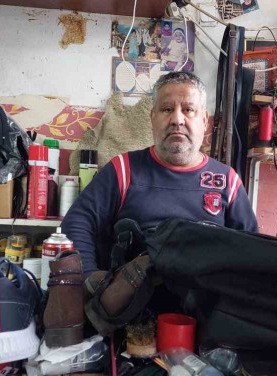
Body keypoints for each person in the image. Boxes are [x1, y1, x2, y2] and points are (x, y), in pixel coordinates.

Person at [61, 72, 258, 278]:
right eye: (167, 109)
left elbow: (252, 249)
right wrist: (90, 278)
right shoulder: (123, 170)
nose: (177, 120)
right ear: (152, 117)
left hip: (205, 295)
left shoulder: (227, 181)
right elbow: (76, 222)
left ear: (204, 120)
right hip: (133, 293)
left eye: (188, 110)